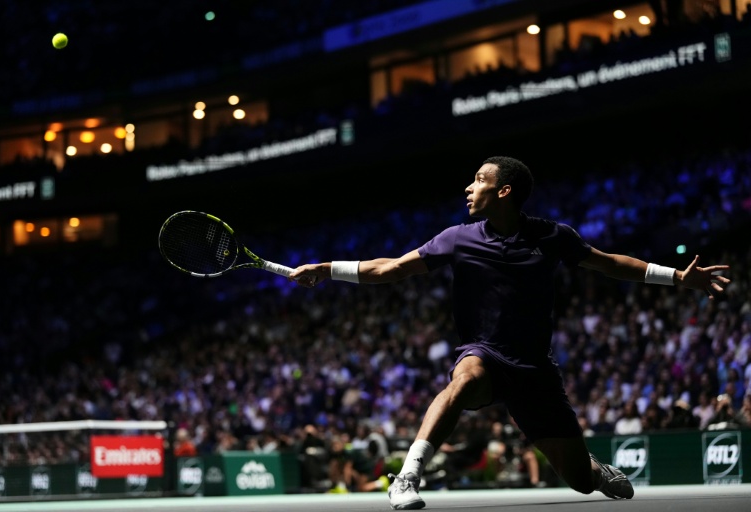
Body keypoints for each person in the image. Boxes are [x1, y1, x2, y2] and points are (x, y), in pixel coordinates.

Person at [289, 156, 731, 510]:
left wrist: (677, 277)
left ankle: (593, 471)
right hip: (483, 352)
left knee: (578, 482)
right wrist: (327, 270)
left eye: (479, 180)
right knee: (466, 380)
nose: (468, 187)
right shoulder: (457, 238)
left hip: (535, 370)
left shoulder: (551, 236)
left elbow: (609, 261)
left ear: (504, 191)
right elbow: (391, 269)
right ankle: (407, 475)